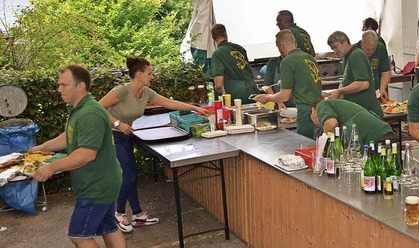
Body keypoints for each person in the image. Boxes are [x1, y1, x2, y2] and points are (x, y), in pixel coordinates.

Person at [99, 57, 211, 233]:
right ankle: (118, 213)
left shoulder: (146, 92)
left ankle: (138, 215)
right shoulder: (121, 91)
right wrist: (117, 124)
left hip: (126, 136)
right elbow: (98, 108)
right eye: (149, 73)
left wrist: (195, 108)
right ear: (138, 74)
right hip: (111, 137)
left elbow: (168, 103)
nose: (152, 77)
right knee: (127, 177)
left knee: (131, 176)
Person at [30, 65, 126, 248]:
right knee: (109, 227)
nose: (59, 89)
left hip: (96, 185)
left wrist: (51, 167)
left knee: (79, 236)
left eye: (64, 85)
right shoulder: (80, 109)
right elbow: (70, 137)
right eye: (59, 85)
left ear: (80, 86)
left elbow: (86, 154)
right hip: (103, 181)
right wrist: (41, 148)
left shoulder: (90, 113)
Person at [254, 30, 323, 139]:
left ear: (281, 45)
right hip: (320, 108)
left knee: (305, 145)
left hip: (306, 112)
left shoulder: (287, 61)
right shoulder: (309, 58)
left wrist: (267, 98)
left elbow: (284, 96)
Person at [325, 31, 383, 118]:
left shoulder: (356, 55)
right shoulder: (347, 58)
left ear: (345, 42)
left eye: (336, 47)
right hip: (358, 111)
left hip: (368, 113)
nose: (335, 51)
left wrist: (340, 91)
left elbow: (363, 84)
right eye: (333, 49)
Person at [209, 23, 260, 104]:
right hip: (253, 89)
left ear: (212, 37)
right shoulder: (240, 48)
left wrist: (219, 91)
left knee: (239, 115)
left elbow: (218, 83)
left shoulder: (217, 54)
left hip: (236, 94)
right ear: (225, 33)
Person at [310, 98, 393, 145]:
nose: (319, 125)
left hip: (375, 136)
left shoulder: (321, 105)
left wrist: (324, 147)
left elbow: (331, 124)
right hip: (380, 132)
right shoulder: (337, 106)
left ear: (313, 111)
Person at [356, 30, 391, 100]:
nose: (371, 52)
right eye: (368, 49)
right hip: (358, 93)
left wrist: (382, 88)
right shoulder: (355, 51)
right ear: (362, 43)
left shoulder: (380, 48)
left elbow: (386, 72)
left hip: (375, 91)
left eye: (373, 49)